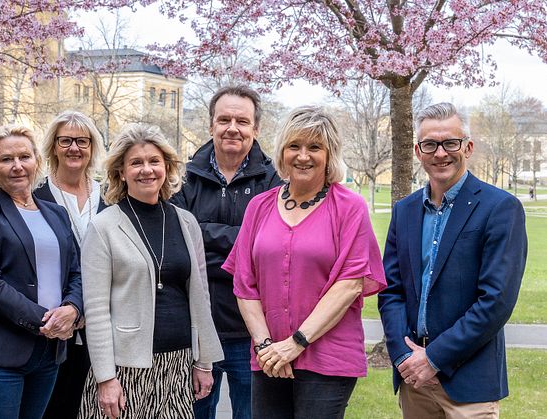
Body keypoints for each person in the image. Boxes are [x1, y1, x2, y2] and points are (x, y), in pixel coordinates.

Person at [223, 106, 386, 418]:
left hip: (328, 358)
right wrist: (265, 346)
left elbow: (349, 285)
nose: (303, 156)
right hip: (269, 357)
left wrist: (295, 343)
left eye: (314, 147)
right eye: (294, 146)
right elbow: (244, 286)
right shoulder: (259, 207)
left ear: (330, 154)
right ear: (282, 152)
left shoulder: (349, 208)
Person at [378, 102, 527, 418]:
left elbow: (496, 302)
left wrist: (433, 358)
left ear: (468, 147)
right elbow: (391, 291)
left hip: (468, 383)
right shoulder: (404, 211)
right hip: (413, 381)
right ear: (418, 151)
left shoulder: (500, 208)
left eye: (450, 143)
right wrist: (404, 355)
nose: (440, 153)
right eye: (430, 144)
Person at [78, 123, 224, 419]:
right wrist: (105, 379)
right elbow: (95, 311)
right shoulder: (104, 227)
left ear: (166, 167)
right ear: (121, 171)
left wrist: (204, 361)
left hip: (178, 364)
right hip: (124, 367)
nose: (147, 170)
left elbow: (200, 297)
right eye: (136, 163)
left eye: (154, 161)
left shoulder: (186, 222)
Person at [171, 85, 282, 419]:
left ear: (255, 129)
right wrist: (243, 241)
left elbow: (270, 244)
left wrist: (202, 233)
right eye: (224, 119)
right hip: (196, 328)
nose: (232, 127)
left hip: (253, 331)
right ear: (211, 125)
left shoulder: (274, 181)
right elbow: (178, 239)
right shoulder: (183, 178)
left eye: (242, 121)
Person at [0, 124, 83, 419]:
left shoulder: (56, 213)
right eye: (6, 159)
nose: (17, 166)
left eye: (24, 157)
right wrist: (47, 321)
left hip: (48, 354)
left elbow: (77, 272)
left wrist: (72, 309)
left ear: (36, 161)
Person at [37, 110, 106, 419]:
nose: (74, 148)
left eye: (82, 141)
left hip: (102, 328)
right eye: (65, 141)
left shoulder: (110, 196)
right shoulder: (36, 195)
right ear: (53, 146)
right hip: (54, 325)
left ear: (92, 147)